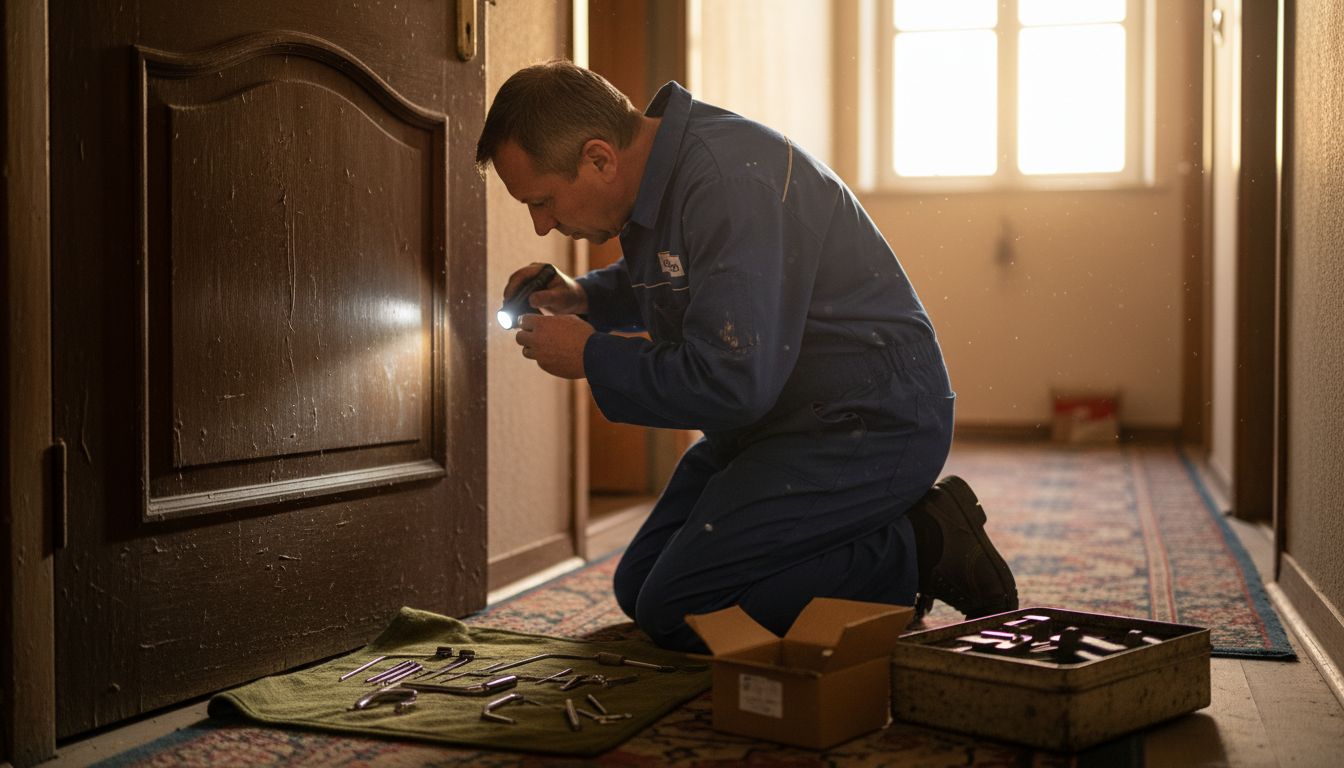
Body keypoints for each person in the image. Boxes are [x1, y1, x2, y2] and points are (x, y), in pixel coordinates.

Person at [476, 61, 1017, 652]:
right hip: (783, 417)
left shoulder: (729, 184)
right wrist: (585, 296)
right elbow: (687, 273)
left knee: (681, 608)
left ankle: (923, 543)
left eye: (544, 201)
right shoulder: (664, 168)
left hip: (868, 422)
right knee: (639, 585)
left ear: (600, 158)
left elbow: (732, 381)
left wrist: (594, 357)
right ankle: (862, 543)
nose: (540, 224)